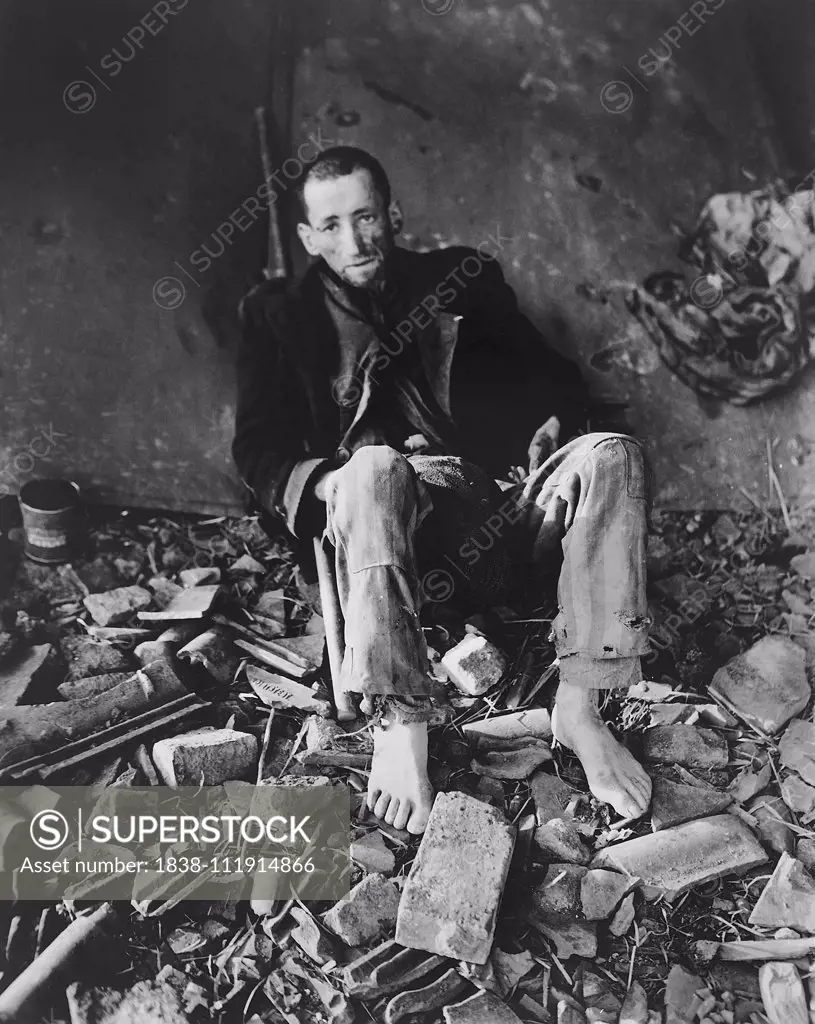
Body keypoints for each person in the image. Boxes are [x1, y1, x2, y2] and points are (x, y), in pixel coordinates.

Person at [233, 146, 653, 835]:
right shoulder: (276, 315)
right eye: (332, 226)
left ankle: (579, 709)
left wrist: (549, 420)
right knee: (370, 465)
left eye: (366, 216)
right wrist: (332, 483)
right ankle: (402, 724)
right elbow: (256, 450)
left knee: (612, 453)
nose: (355, 240)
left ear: (392, 215)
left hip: (491, 510)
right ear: (308, 238)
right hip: (384, 533)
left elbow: (553, 376)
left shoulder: (462, 278)